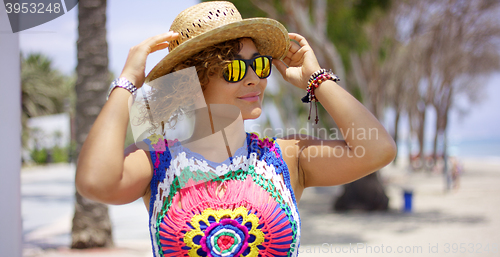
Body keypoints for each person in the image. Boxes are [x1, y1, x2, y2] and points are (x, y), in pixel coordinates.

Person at [75, 1, 397, 256]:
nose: (254, 78)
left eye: (259, 63)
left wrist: (316, 80)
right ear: (196, 79)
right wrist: (128, 83)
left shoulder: (285, 158)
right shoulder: (158, 163)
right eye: (234, 68)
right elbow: (94, 182)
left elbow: (378, 150)